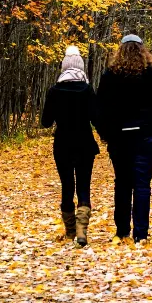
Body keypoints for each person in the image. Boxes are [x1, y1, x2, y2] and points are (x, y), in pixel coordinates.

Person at [97, 35, 152, 243]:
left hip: (120, 137)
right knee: (142, 184)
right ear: (142, 49)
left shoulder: (110, 75)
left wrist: (107, 133)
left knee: (122, 183)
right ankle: (141, 233)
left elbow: (100, 107)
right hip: (146, 136)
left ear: (120, 51)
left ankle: (122, 231)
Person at [41, 46, 99, 246]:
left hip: (63, 145)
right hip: (85, 144)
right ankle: (82, 231)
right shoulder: (87, 90)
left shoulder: (54, 91)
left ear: (63, 67)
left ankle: (70, 232)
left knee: (67, 186)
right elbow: (96, 118)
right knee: (84, 186)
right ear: (81, 68)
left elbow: (45, 122)